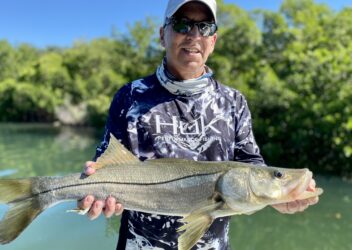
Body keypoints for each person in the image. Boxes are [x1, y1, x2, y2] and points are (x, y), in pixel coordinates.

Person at [78, 0, 319, 249]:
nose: (194, 35)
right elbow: (106, 165)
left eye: (204, 27)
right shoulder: (130, 96)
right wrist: (95, 187)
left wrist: (276, 197)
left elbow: (251, 165)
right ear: (163, 34)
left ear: (213, 41)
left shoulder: (233, 101)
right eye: (183, 24)